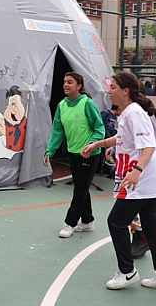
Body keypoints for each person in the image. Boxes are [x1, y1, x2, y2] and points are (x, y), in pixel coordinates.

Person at [82, 71, 156, 291]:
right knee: (152, 226)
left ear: (126, 91)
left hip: (142, 180)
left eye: (113, 87)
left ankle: (127, 271)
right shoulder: (128, 113)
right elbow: (123, 138)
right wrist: (99, 144)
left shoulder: (134, 113)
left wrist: (137, 170)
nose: (109, 91)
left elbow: (149, 145)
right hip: (147, 180)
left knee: (116, 221)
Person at [44, 72, 105, 238]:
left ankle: (70, 222)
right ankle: (87, 221)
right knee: (82, 187)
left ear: (79, 86)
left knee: (79, 189)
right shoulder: (62, 105)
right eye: (64, 82)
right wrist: (50, 150)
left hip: (89, 155)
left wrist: (91, 145)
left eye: (70, 82)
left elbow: (100, 129)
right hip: (73, 153)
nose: (65, 85)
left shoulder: (87, 103)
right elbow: (57, 131)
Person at [100, 104, 120, 178]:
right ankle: (109, 156)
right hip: (105, 131)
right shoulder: (105, 113)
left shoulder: (114, 117)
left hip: (111, 131)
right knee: (107, 133)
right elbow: (100, 123)